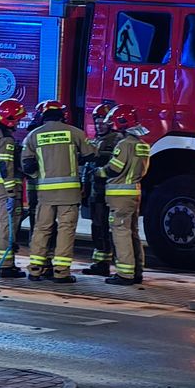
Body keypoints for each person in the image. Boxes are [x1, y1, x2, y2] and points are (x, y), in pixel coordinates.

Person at [21, 99, 95, 283]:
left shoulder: (33, 136)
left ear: (43, 116)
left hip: (45, 194)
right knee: (65, 231)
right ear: (63, 115)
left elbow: (27, 166)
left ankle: (36, 269)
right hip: (69, 194)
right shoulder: (75, 133)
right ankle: (61, 272)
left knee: (41, 229)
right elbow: (91, 155)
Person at [97, 105, 151, 286]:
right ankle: (137, 271)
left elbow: (114, 168)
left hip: (119, 195)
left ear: (121, 122)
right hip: (134, 193)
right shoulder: (142, 145)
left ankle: (125, 274)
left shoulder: (123, 144)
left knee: (120, 233)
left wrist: (99, 172)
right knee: (133, 232)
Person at [0, 100, 27, 278]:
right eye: (16, 119)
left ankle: (6, 263)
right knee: (7, 226)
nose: (17, 123)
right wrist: (11, 192)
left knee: (2, 225)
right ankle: (6, 266)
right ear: (9, 118)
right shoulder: (6, 138)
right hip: (6, 189)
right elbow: (5, 166)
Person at [82, 102, 122, 277]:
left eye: (103, 122)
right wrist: (84, 188)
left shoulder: (116, 140)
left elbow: (113, 164)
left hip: (106, 193)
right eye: (97, 122)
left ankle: (104, 263)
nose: (99, 125)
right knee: (97, 228)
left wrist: (99, 157)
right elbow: (88, 169)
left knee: (104, 228)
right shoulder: (95, 140)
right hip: (94, 192)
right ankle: (99, 262)